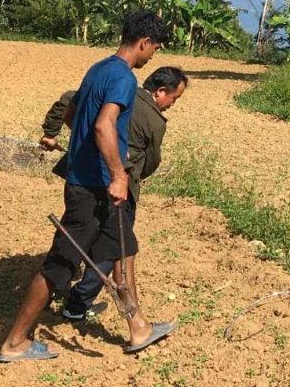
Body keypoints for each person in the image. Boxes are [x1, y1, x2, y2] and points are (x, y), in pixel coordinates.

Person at [0, 11, 176, 362]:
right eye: (154, 48)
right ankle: (14, 342)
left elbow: (73, 112)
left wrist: (70, 142)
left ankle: (138, 326)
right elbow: (104, 126)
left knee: (124, 249)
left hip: (92, 183)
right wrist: (118, 175)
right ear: (144, 43)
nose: (152, 56)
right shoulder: (123, 77)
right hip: (92, 189)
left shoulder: (99, 68)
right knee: (61, 264)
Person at [40, 66, 189, 321]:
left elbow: (68, 99)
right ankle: (77, 304)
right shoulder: (153, 120)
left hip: (85, 178)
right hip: (119, 187)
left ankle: (51, 291)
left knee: (73, 235)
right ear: (160, 91)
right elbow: (151, 162)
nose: (173, 104)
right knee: (112, 248)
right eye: (174, 98)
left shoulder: (118, 92)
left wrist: (51, 132)